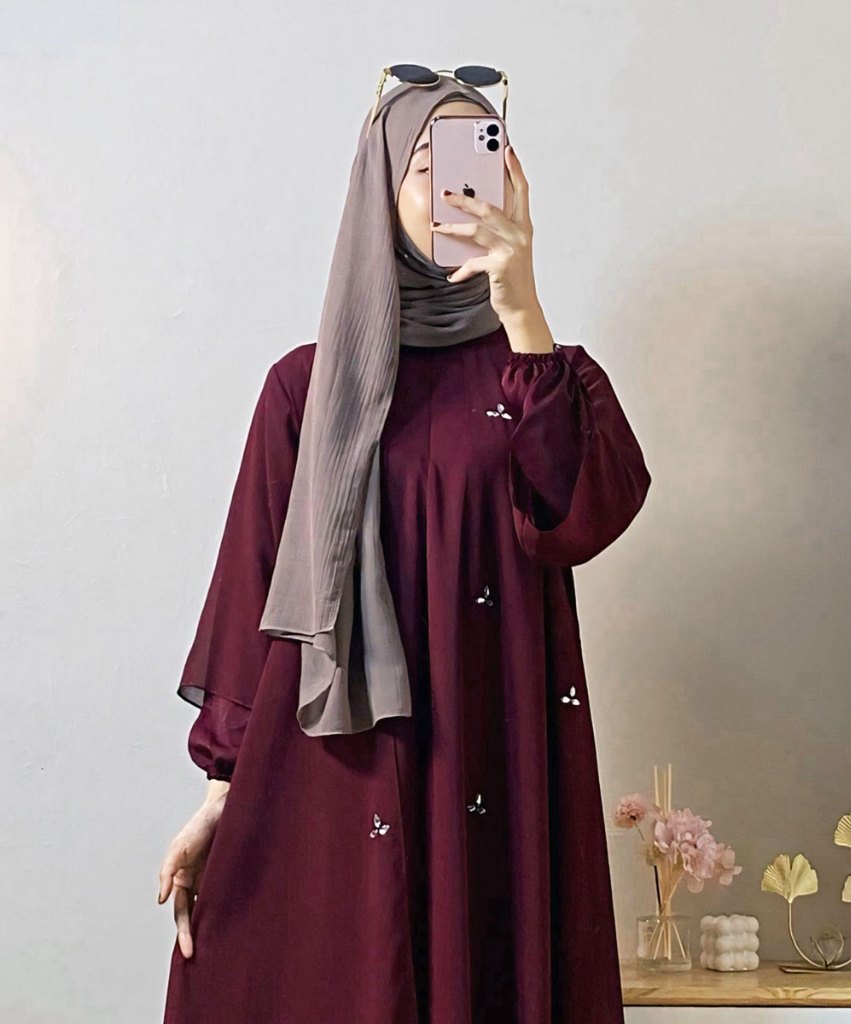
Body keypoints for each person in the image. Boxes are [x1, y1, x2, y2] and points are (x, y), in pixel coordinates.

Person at [158, 76, 652, 1024]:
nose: (460, 187)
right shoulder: (306, 389)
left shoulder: (549, 377)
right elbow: (252, 598)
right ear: (380, 190)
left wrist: (525, 311)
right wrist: (221, 793)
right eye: (429, 164)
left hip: (497, 745)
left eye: (484, 159)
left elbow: (583, 516)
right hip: (341, 769)